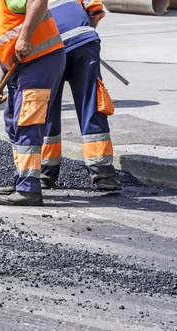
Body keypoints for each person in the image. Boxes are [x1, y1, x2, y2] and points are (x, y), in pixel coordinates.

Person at [0, 0, 66, 206]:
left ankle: (29, 189)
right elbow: (0, 48)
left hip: (40, 61)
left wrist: (25, 37)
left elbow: (38, 1)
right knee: (12, 121)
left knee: (27, 122)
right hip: (19, 68)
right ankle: (21, 178)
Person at [38, 0, 122, 191]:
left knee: (47, 108)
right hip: (83, 41)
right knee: (90, 103)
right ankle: (102, 173)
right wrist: (83, 42)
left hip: (48, 47)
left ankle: (45, 173)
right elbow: (95, 9)